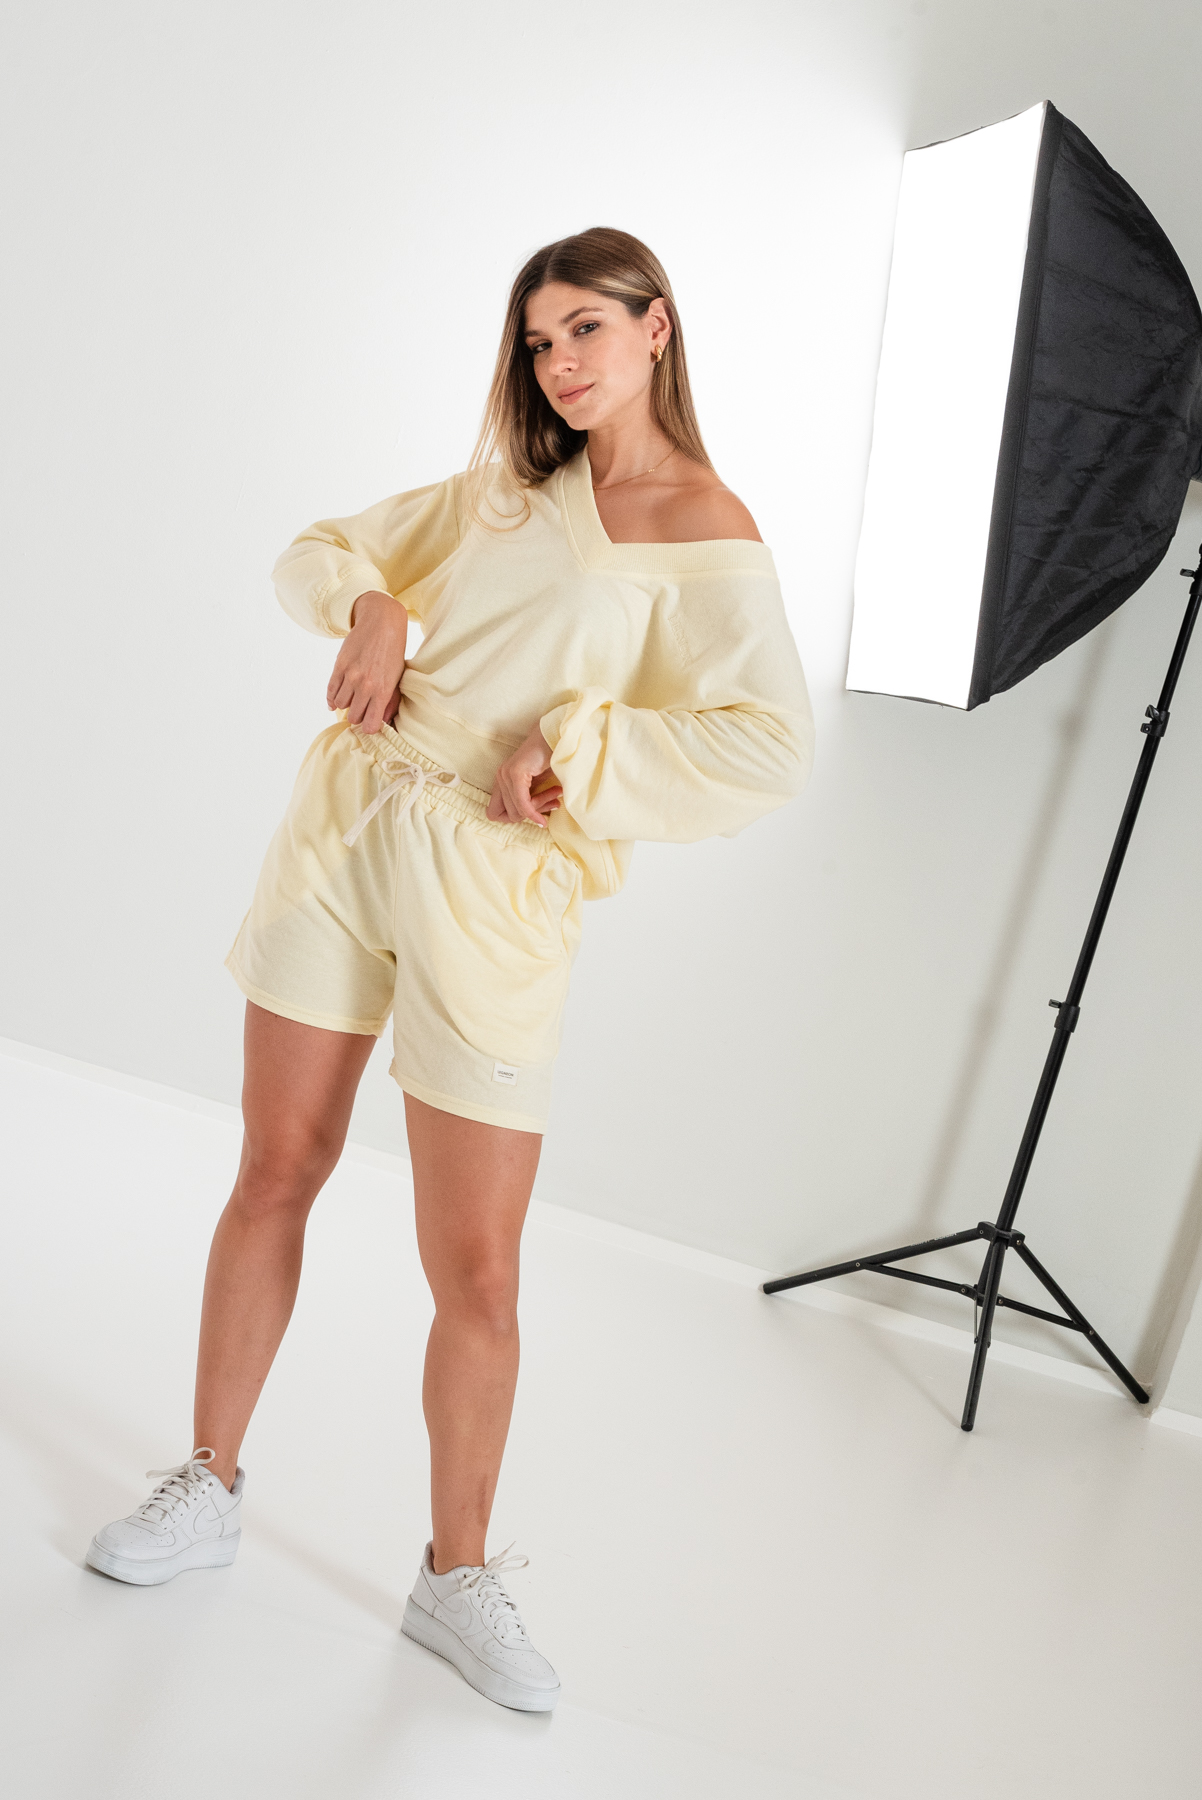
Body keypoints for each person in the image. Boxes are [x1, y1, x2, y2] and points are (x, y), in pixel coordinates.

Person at [85, 227, 814, 1711]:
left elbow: (767, 745)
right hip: (352, 828)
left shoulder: (710, 533)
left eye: (586, 329)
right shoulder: (504, 490)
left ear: (656, 327)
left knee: (477, 1268)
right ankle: (208, 1482)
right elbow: (321, 547)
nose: (560, 362)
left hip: (494, 888)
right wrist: (372, 605)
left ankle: (456, 1574)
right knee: (274, 1168)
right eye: (539, 340)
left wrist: (580, 747)